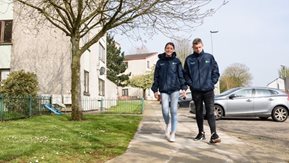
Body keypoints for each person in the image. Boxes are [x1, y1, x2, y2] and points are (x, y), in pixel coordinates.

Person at [184, 38, 221, 143]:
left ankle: (214, 134)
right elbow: (185, 74)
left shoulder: (209, 57)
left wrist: (211, 82)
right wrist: (191, 84)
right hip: (196, 91)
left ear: (202, 46)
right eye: (196, 48)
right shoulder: (189, 59)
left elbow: (216, 72)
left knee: (210, 112)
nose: (198, 49)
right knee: (199, 112)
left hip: (208, 90)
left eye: (199, 47)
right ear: (193, 47)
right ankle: (201, 133)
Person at [151, 42, 187, 142]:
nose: (169, 50)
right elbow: (156, 77)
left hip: (175, 89)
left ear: (173, 50)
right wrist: (155, 90)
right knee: (165, 110)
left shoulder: (177, 62)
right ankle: (168, 123)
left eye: (171, 48)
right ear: (165, 49)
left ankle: (173, 133)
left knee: (174, 111)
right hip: (164, 90)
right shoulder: (160, 62)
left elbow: (181, 76)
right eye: (167, 48)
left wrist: (184, 88)